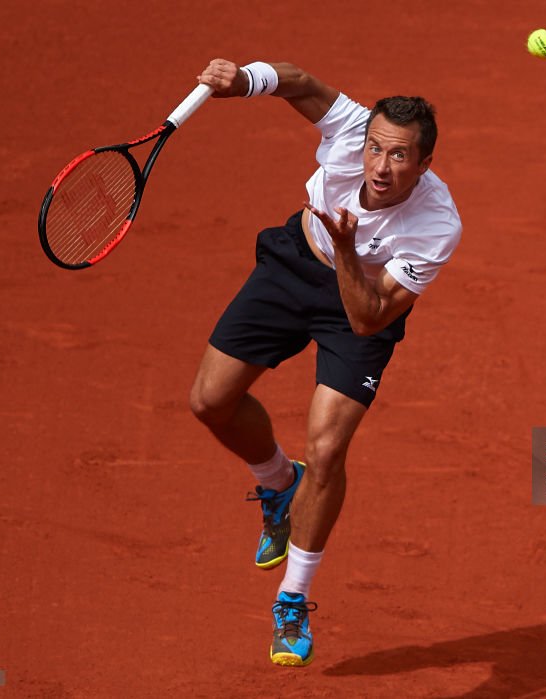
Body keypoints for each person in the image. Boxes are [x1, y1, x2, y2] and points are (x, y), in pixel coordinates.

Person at [189, 58, 462, 667]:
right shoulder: (348, 134)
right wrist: (244, 80)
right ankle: (279, 483)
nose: (380, 166)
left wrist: (346, 250)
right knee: (209, 401)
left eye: (398, 157)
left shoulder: (436, 225)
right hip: (294, 265)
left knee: (330, 448)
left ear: (424, 165)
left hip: (361, 305)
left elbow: (369, 319)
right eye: (375, 149)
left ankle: (292, 600)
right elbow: (302, 83)